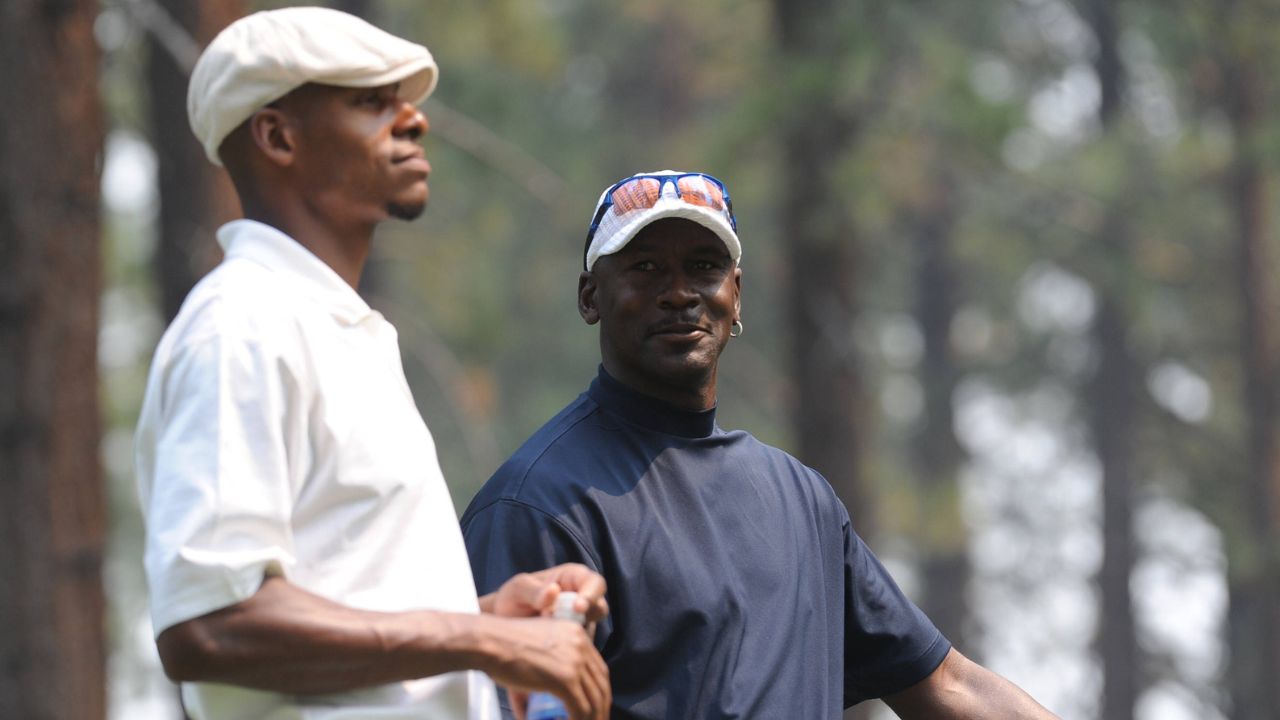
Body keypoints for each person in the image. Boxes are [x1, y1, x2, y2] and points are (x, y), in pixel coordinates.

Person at [134, 8, 610, 720]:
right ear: (278, 137)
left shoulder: (333, 329)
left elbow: (349, 614)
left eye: (405, 104)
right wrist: (482, 639)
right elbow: (209, 626)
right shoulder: (242, 326)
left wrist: (487, 620)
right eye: (370, 102)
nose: (413, 120)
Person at [461, 170, 1060, 718]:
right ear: (591, 296)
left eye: (703, 266)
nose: (679, 292)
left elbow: (945, 684)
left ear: (736, 293)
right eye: (645, 267)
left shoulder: (801, 500)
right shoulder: (536, 505)